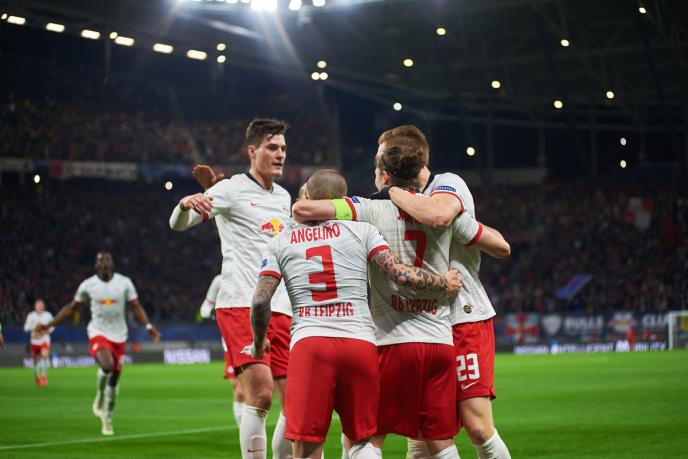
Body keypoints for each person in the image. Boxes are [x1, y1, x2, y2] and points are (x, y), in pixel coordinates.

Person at [250, 170, 462, 459]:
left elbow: (261, 300)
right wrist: (443, 282)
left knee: (307, 445)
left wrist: (259, 341)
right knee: (363, 441)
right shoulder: (363, 231)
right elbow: (399, 274)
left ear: (309, 197)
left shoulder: (280, 241)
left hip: (311, 344)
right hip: (359, 345)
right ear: (343, 200)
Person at [381, 126, 512, 459]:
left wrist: (390, 191)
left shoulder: (447, 184)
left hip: (462, 316)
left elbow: (439, 215)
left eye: (384, 157)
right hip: (420, 325)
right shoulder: (391, 203)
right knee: (421, 435)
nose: (380, 166)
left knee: (478, 427)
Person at [170, 118, 293, 459]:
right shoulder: (230, 189)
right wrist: (184, 204)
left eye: (283, 148)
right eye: (272, 147)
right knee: (262, 394)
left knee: (296, 404)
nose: (280, 154)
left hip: (282, 308)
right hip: (241, 302)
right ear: (252, 151)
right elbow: (178, 225)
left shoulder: (284, 197)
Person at [37, 251, 160, 435]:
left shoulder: (124, 283)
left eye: (107, 260)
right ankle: (100, 393)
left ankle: (107, 417)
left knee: (115, 380)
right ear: (96, 265)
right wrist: (50, 324)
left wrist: (148, 326)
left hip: (119, 336)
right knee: (107, 366)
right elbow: (71, 308)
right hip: (98, 333)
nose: (104, 263)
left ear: (112, 264)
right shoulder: (88, 285)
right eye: (101, 260)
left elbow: (136, 306)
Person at [199, 273, 246, 426]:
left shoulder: (252, 274)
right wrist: (213, 315)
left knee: (254, 391)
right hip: (229, 342)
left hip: (250, 339)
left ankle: (251, 429)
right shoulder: (220, 280)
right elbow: (205, 308)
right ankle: (243, 432)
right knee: (238, 389)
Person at [23, 299, 54, 386]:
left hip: (44, 339)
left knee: (44, 355)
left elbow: (53, 326)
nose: (40, 307)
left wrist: (45, 330)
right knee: (35, 360)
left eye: (41, 305)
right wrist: (35, 327)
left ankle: (44, 376)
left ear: (43, 306)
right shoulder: (31, 315)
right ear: (35, 306)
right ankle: (37, 376)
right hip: (34, 341)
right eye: (38, 305)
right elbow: (25, 328)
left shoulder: (48, 315)